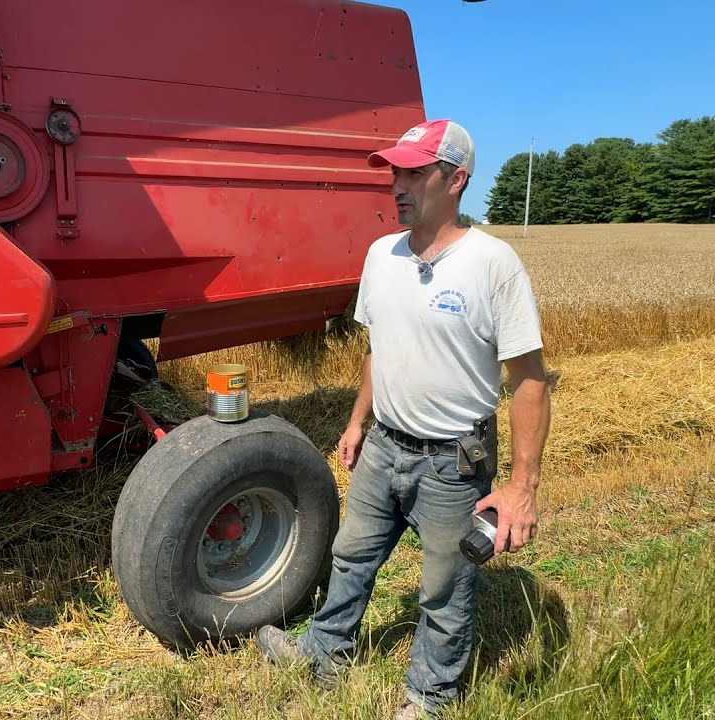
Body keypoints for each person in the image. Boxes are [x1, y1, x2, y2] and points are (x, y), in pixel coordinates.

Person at [254, 119, 552, 720]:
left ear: (458, 179)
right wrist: (358, 421)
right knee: (351, 554)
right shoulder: (381, 256)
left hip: (453, 462)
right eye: (396, 172)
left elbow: (530, 381)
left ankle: (430, 698)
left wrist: (522, 488)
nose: (398, 185)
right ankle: (323, 651)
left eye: (416, 172)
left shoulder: (494, 265)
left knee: (445, 588)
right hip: (385, 446)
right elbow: (377, 349)